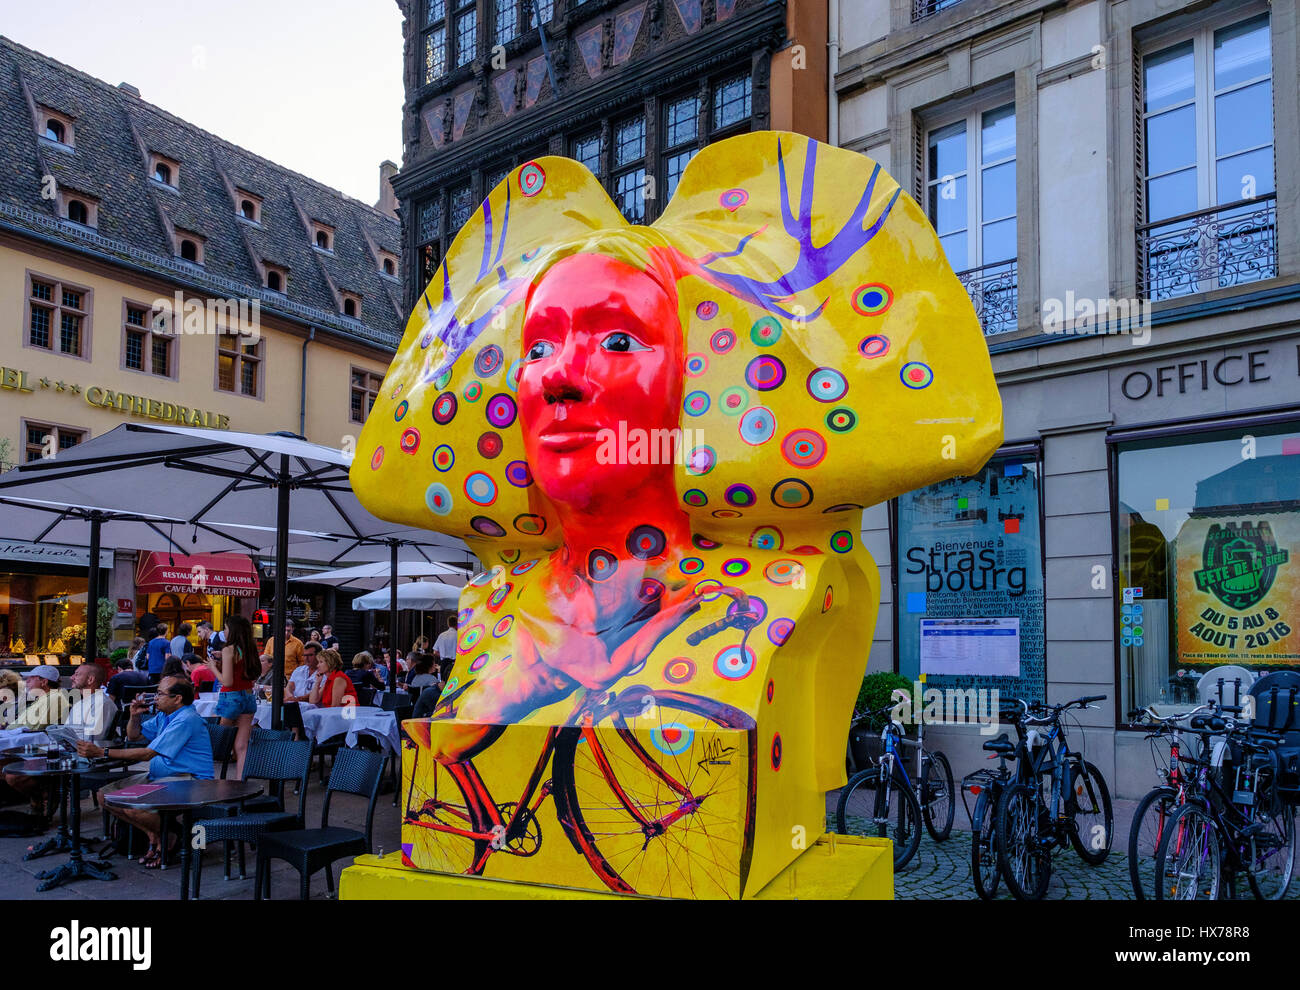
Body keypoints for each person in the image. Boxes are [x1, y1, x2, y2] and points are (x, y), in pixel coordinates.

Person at [77, 675, 212, 868]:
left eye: (160, 694)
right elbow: (134, 735)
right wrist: (135, 716)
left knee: (135, 804)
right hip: (161, 777)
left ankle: (169, 836)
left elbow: (147, 753)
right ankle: (155, 835)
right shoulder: (165, 716)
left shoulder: (186, 720)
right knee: (105, 796)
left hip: (189, 780)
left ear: (177, 698)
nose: (155, 698)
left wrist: (102, 752)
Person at [207, 615, 260, 780]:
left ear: (233, 630)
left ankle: (210, 780)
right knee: (241, 746)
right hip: (248, 698)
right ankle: (240, 782)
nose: (224, 631)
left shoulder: (228, 649)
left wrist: (213, 668)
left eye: (226, 628)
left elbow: (227, 681)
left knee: (216, 741)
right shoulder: (250, 649)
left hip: (231, 697)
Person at [0, 667, 68, 730]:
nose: (26, 682)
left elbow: (33, 728)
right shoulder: (43, 699)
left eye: (31, 678)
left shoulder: (54, 698)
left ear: (44, 682)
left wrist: (6, 729)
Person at [433, 616, 457, 681]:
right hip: (455, 663)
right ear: (457, 624)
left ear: (448, 624)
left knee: (444, 683)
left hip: (444, 663)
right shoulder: (459, 635)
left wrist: (443, 655)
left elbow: (435, 652)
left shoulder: (441, 635)